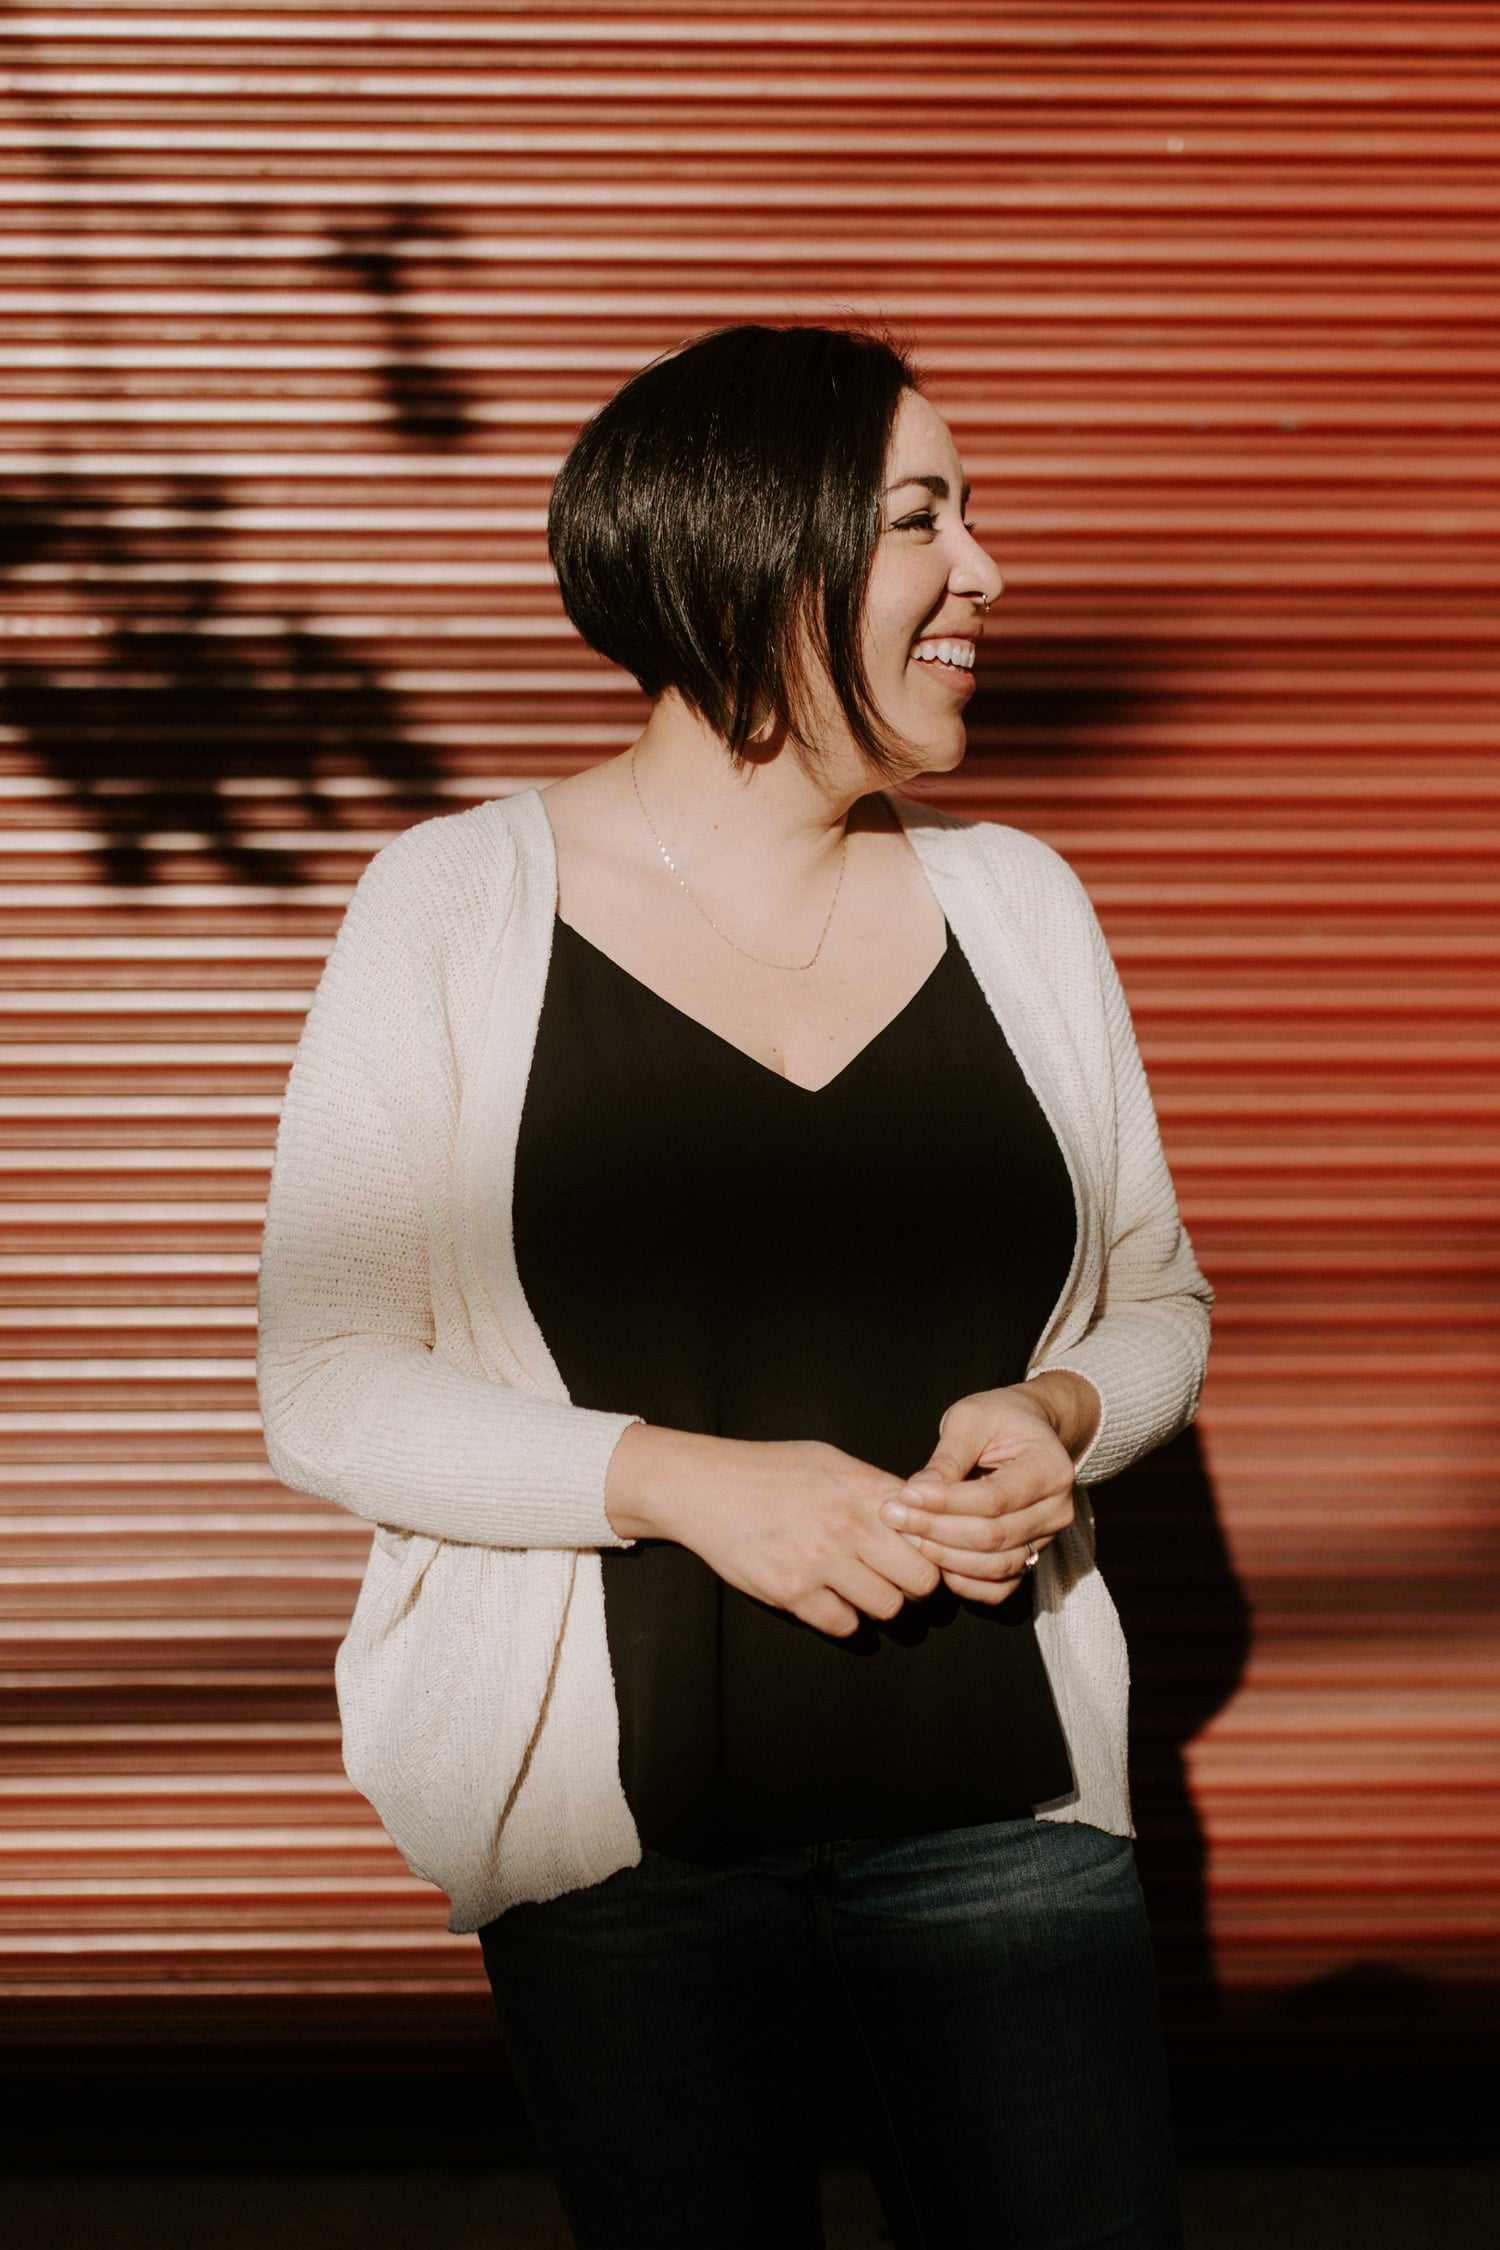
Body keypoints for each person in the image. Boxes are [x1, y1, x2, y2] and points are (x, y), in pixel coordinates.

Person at [258, 322, 1211, 2250]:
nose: (991, 573)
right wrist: (688, 1479)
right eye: (927, 515)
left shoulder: (1021, 902)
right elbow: (329, 1382)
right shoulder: (447, 906)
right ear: (760, 548)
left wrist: (1063, 1413)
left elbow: (1155, 1301)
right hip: (634, 1865)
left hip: (1005, 1815)